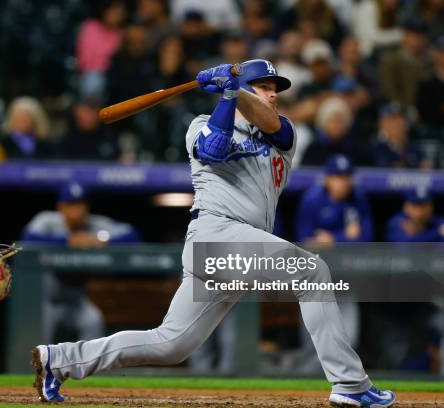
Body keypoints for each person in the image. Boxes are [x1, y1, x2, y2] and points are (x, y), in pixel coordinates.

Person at [31, 60, 396, 407]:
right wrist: (228, 95)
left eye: (274, 89)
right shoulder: (200, 124)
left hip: (242, 245)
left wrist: (236, 90)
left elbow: (270, 120)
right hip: (216, 232)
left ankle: (59, 360)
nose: (272, 94)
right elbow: (214, 149)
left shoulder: (282, 132)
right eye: (264, 87)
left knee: (171, 345)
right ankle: (350, 384)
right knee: (312, 271)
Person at [22, 182, 140, 343]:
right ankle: (37, 368)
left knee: (93, 320)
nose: (79, 210)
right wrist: (66, 241)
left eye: (82, 204)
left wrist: (102, 240)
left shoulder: (93, 224)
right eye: (72, 205)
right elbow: (27, 238)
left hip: (75, 302)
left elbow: (132, 236)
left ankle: (87, 367)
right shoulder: (47, 221)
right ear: (61, 207)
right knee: (41, 342)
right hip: (46, 302)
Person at [296, 155, 373, 244]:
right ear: (327, 179)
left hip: (349, 255)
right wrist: (346, 237)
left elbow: (367, 238)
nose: (343, 182)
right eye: (337, 176)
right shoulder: (311, 199)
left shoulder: (358, 197)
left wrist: (333, 240)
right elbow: (303, 240)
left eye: (346, 176)